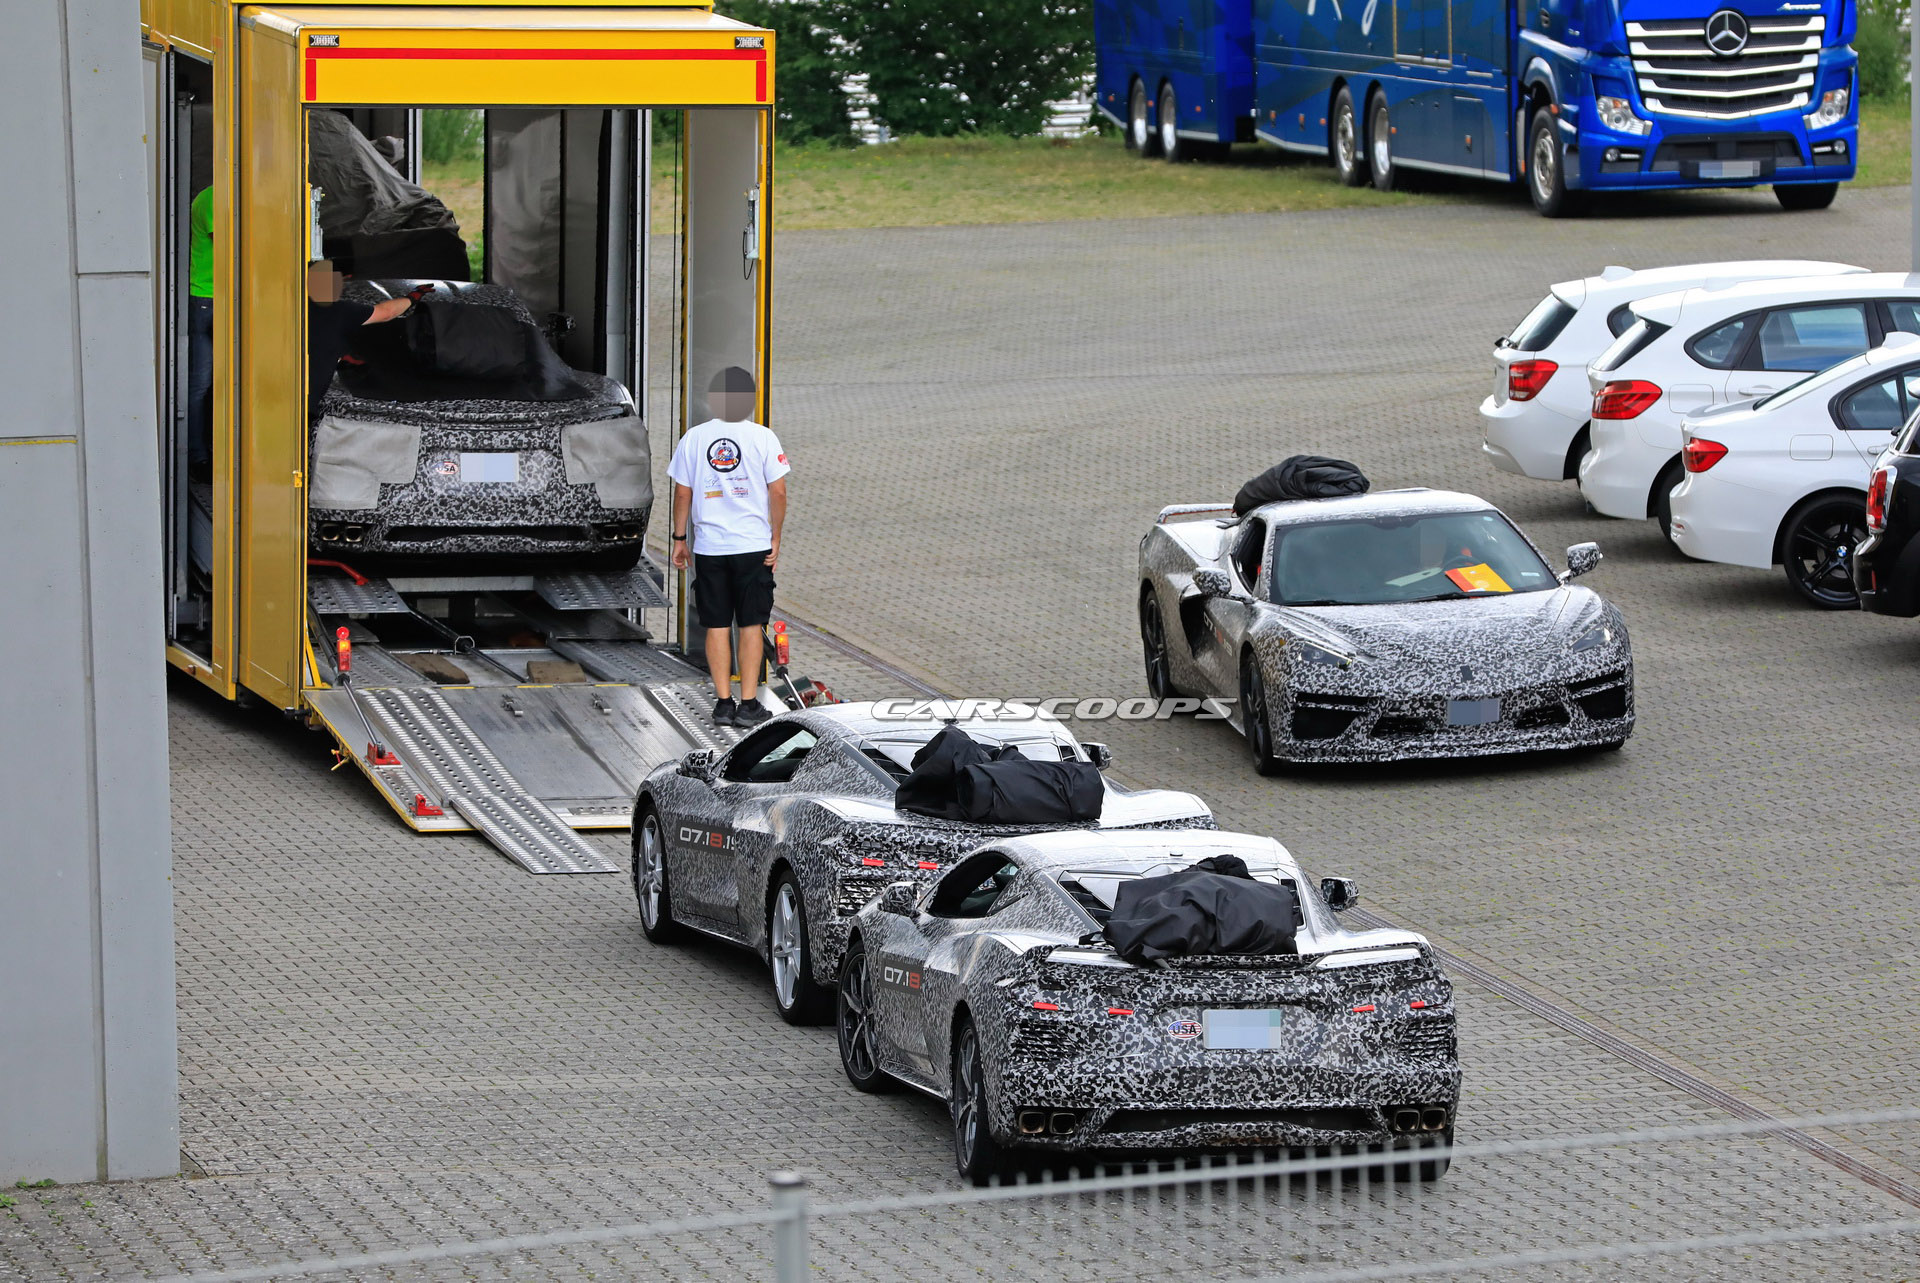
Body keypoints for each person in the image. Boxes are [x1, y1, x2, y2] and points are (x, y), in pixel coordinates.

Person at [667, 367, 789, 728]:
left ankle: (723, 704)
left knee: (717, 624)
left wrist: (679, 539)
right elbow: (778, 493)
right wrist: (776, 538)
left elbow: (683, 492)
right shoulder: (764, 437)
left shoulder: (694, 438)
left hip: (709, 547)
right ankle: (748, 705)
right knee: (751, 624)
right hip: (753, 546)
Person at [306, 260, 428, 423]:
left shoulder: (283, 307)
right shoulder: (340, 312)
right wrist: (412, 298)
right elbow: (386, 313)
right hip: (303, 408)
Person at [186, 187, 214, 482]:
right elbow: (234, 244)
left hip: (225, 296)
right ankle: (197, 457)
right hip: (207, 298)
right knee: (200, 383)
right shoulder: (213, 199)